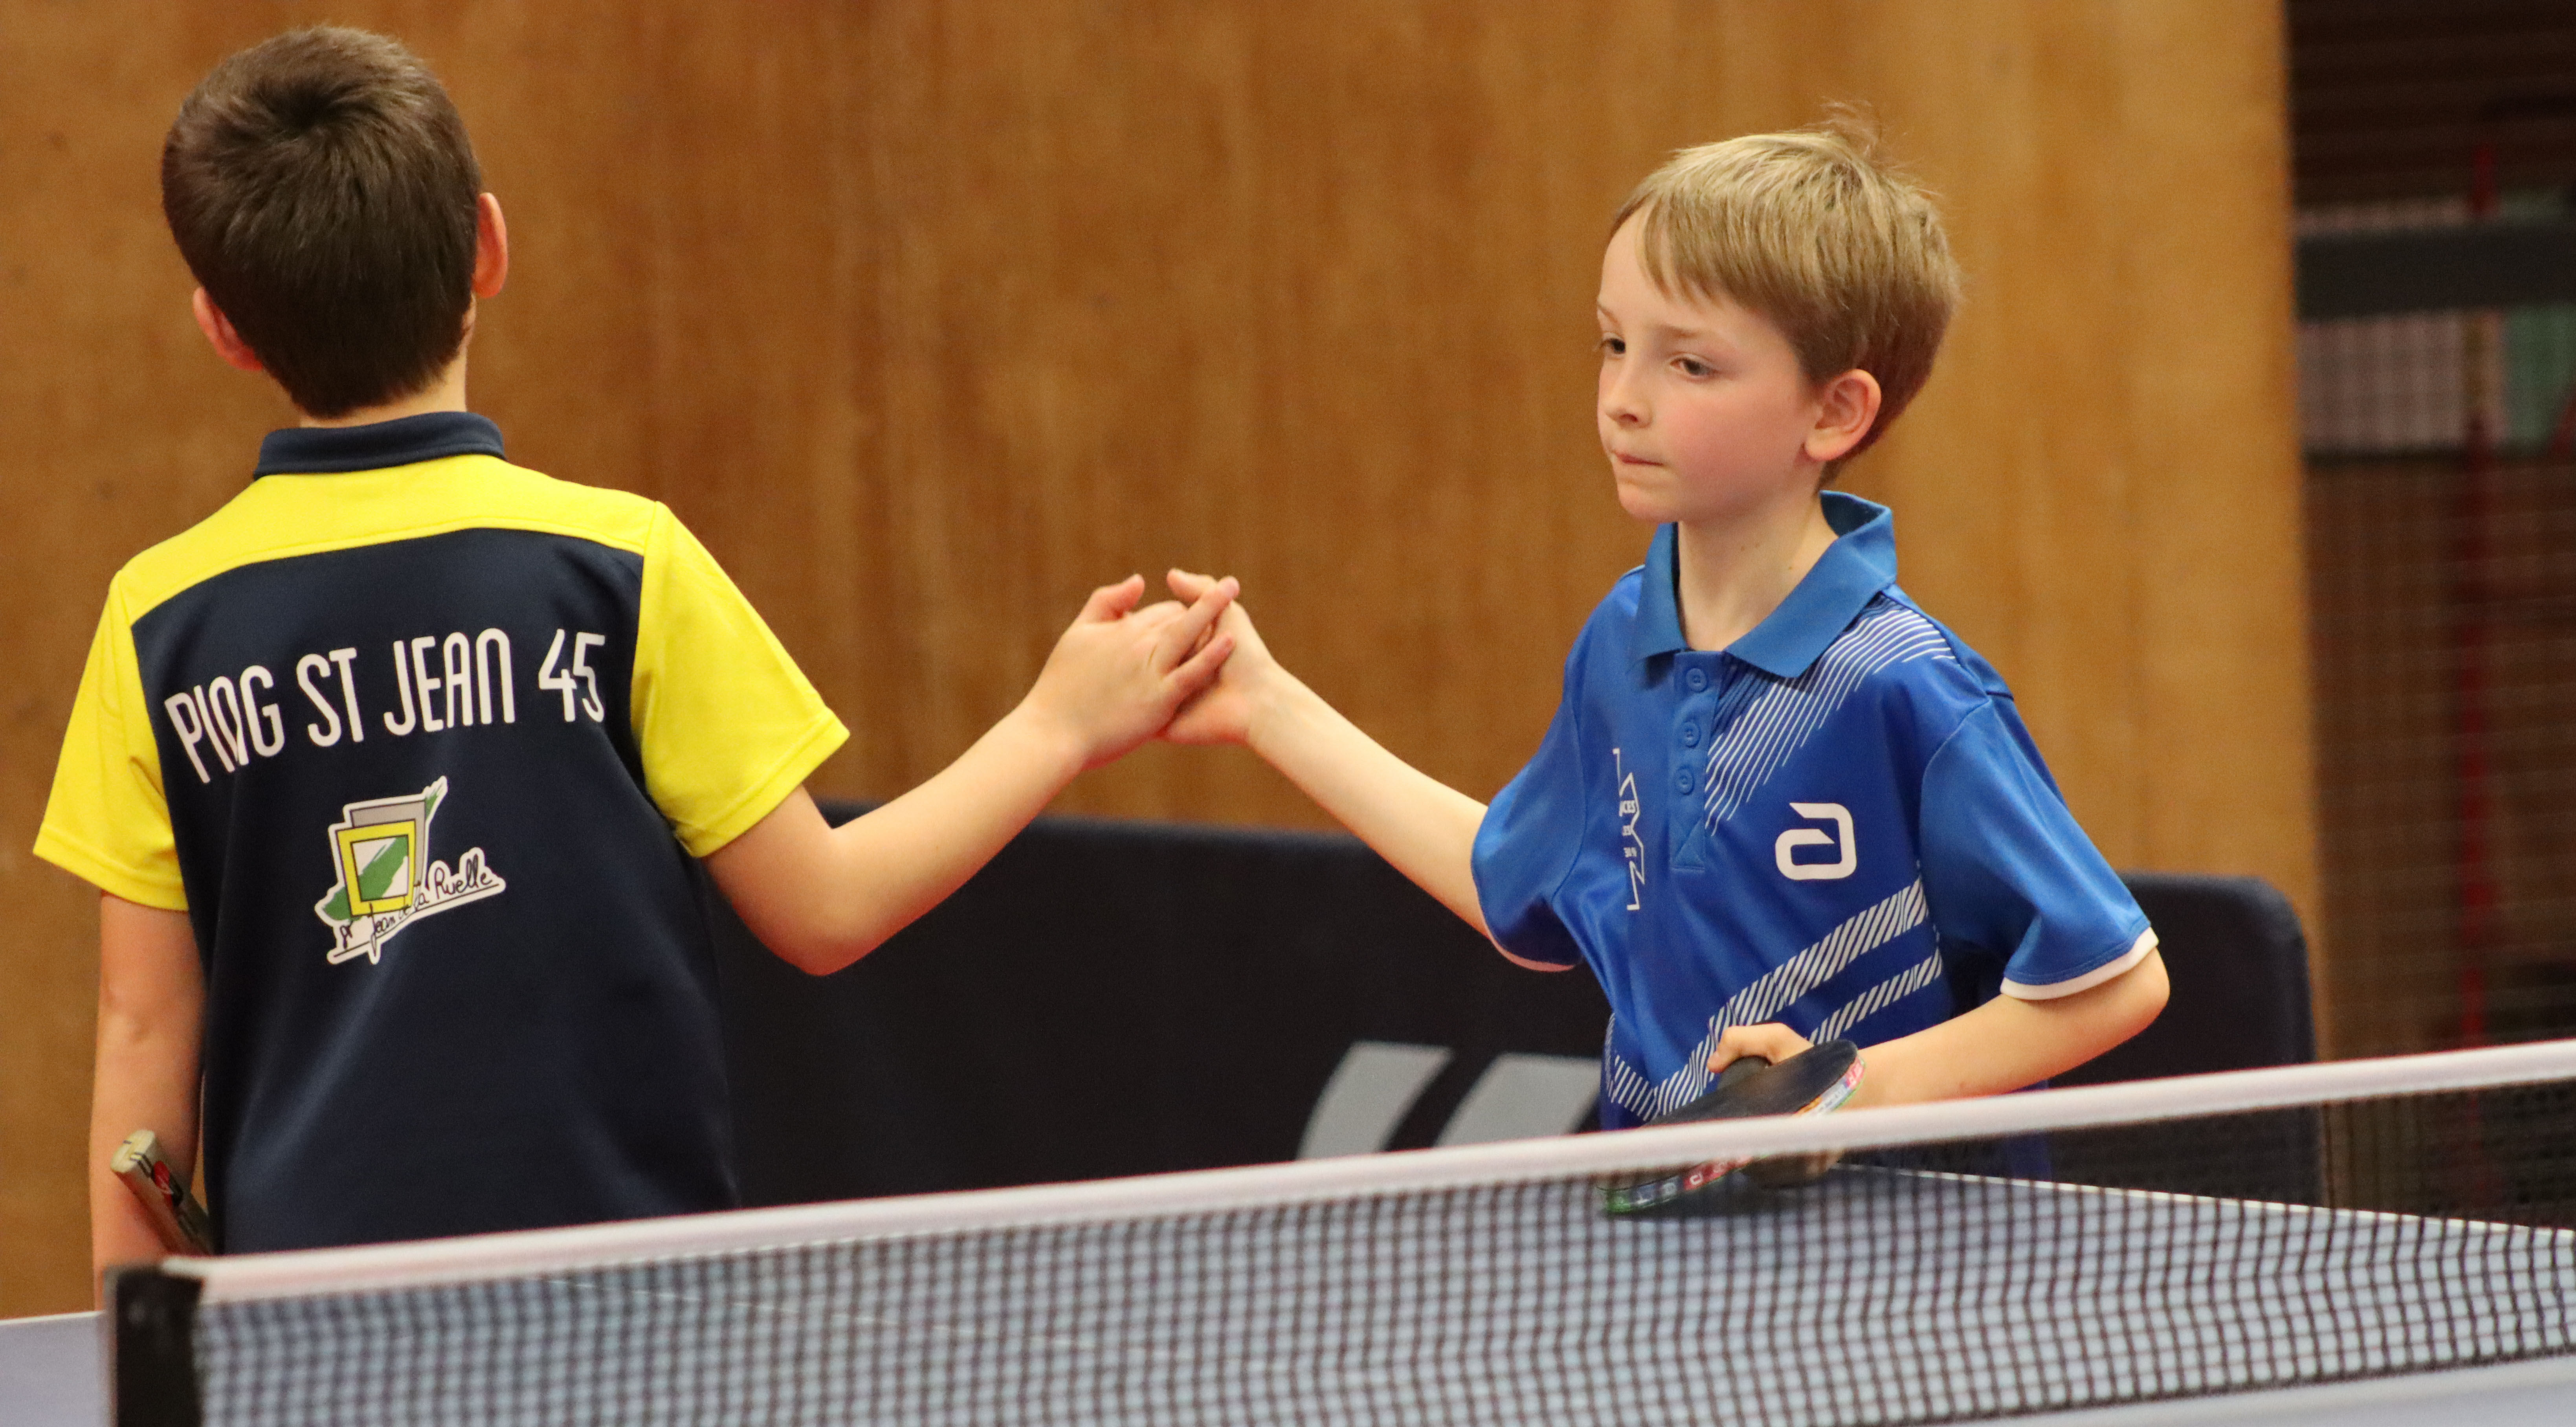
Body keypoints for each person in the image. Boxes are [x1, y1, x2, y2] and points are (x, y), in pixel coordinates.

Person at [37, 26, 1233, 1266]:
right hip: (628, 1301)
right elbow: (827, 910)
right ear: (488, 247)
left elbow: (142, 1040)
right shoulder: (620, 567)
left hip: (307, 1314)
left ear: (223, 326)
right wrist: (1055, 726)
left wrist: (146, 1368)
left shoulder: (159, 620)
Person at [1166, 119, 2165, 1124]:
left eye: (1689, 365)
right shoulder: (1624, 641)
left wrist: (1845, 1089)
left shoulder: (1903, 683)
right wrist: (1267, 706)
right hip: (1671, 1202)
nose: (1622, 401)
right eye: (1614, 344)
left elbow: (2114, 980)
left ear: (1834, 412)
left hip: (1892, 1214)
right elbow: (1523, 890)